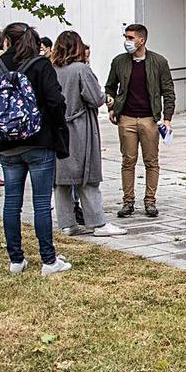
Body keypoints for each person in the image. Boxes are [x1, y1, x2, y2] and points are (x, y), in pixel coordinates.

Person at [0, 22, 72, 275]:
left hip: (7, 145)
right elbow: (55, 101)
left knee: (12, 202)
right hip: (39, 141)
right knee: (42, 203)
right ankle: (49, 260)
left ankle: (16, 259)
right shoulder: (41, 65)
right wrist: (57, 130)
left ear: (6, 41)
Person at [51, 31, 127, 238]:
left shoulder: (51, 69)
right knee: (88, 176)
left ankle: (67, 223)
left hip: (56, 128)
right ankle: (97, 222)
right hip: (80, 127)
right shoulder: (81, 70)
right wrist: (107, 99)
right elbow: (95, 98)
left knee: (62, 179)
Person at [104, 23, 175, 218]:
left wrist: (167, 119)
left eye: (130, 38)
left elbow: (169, 92)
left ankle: (150, 201)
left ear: (141, 40)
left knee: (151, 161)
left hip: (150, 119)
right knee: (128, 161)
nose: (126, 41)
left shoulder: (159, 62)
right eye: (125, 37)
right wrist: (111, 106)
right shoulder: (119, 62)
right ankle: (128, 202)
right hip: (126, 118)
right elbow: (110, 87)